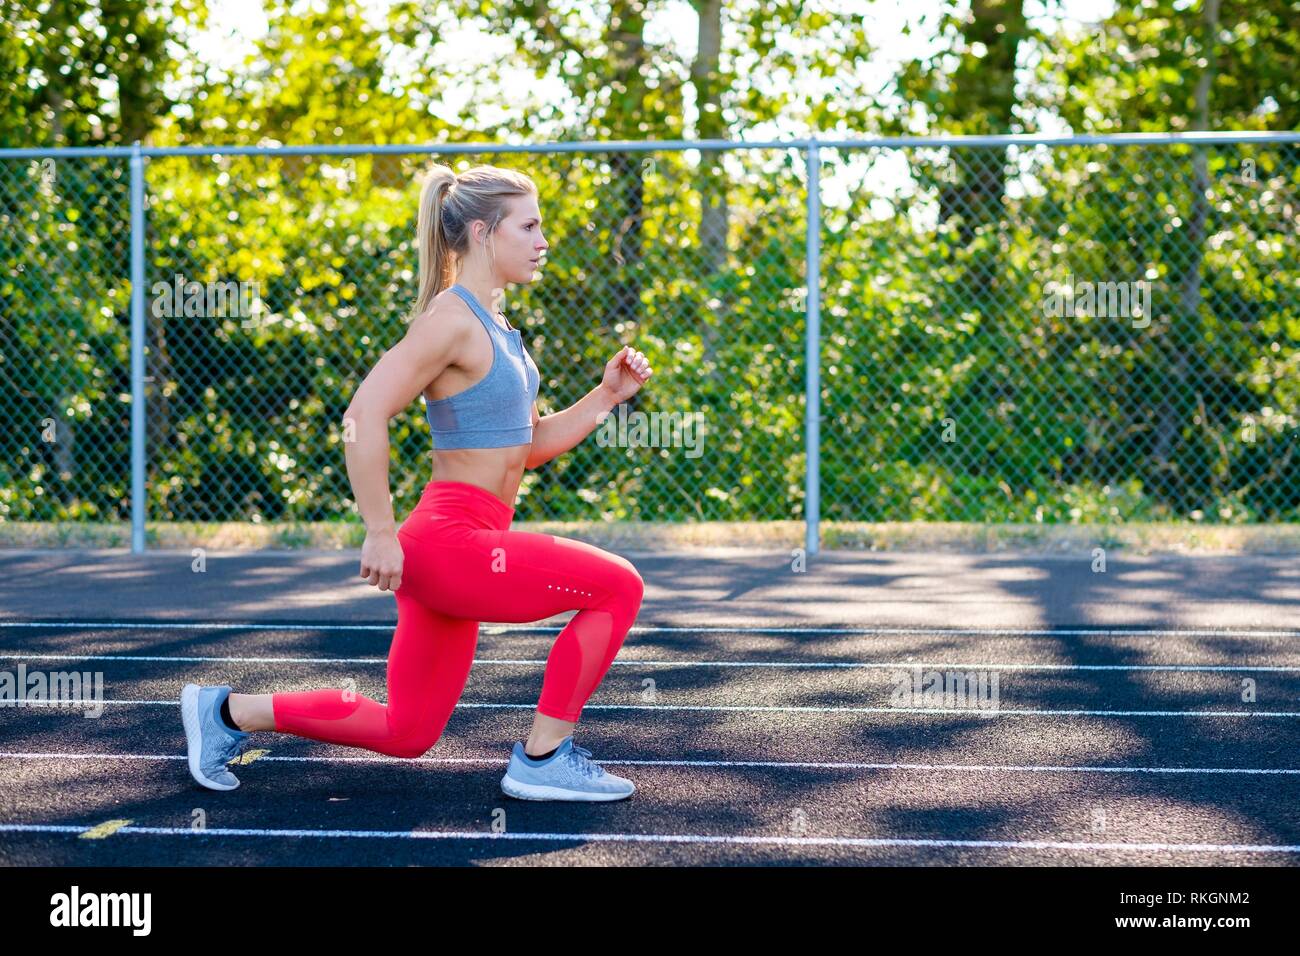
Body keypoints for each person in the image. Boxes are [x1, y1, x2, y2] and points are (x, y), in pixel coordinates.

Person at [182, 162, 653, 801]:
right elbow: (363, 413)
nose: (544, 241)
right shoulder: (451, 319)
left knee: (408, 732)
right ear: (484, 233)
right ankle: (544, 757)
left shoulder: (502, 332)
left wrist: (605, 396)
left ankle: (224, 713)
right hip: (451, 541)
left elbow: (528, 448)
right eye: (530, 225)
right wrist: (379, 530)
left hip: (461, 547)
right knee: (618, 586)